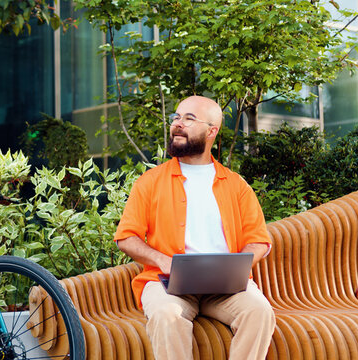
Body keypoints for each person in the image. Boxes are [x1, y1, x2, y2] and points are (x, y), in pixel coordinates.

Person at [114, 95, 276, 359]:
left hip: (225, 287)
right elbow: (126, 237)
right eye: (176, 117)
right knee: (167, 315)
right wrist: (161, 260)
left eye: (189, 119)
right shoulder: (150, 182)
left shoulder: (236, 185)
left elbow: (259, 241)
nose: (178, 123)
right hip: (167, 283)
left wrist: (236, 265)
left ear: (212, 131)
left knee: (259, 311)